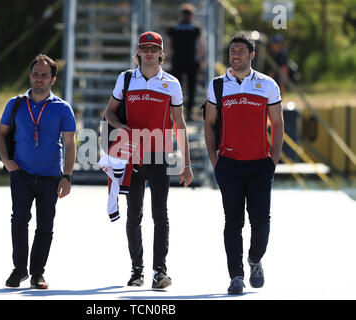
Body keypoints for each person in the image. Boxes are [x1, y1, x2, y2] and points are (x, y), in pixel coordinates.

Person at [104, 31, 194, 289]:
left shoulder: (172, 84)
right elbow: (109, 111)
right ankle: (136, 271)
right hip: (131, 154)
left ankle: (159, 271)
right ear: (139, 52)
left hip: (159, 155)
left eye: (154, 48)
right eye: (145, 48)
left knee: (160, 215)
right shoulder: (126, 78)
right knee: (134, 214)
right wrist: (120, 125)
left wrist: (186, 164)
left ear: (161, 53)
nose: (149, 52)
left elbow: (179, 124)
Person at [203, 34, 284, 294]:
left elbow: (278, 123)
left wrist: (273, 159)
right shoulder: (217, 86)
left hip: (261, 165)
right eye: (231, 51)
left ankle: (255, 259)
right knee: (232, 222)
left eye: (240, 50)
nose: (234, 55)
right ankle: (235, 276)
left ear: (252, 55)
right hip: (230, 165)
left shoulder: (268, 85)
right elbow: (209, 125)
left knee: (261, 222)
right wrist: (215, 161)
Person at [0, 54, 76, 289]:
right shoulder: (16, 103)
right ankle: (19, 269)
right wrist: (6, 160)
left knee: (45, 225)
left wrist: (67, 176)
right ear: (30, 76)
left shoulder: (62, 108)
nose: (39, 79)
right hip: (21, 172)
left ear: (52, 79)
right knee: (19, 220)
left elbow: (70, 144)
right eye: (36, 74)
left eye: (44, 75)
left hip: (51, 176)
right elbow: (1, 133)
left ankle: (37, 273)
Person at [166, 3, 205, 121]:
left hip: (177, 61)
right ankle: (188, 113)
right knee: (191, 88)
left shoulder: (174, 29)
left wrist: (169, 57)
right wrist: (201, 59)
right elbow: (201, 45)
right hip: (191, 62)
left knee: (176, 88)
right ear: (192, 16)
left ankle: (174, 114)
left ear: (181, 15)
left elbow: (168, 45)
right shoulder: (195, 29)